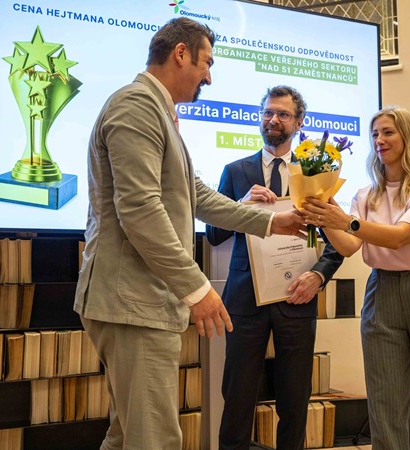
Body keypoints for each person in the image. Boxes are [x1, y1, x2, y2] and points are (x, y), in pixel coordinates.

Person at [73, 18, 305, 450]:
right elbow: (140, 210)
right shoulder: (137, 106)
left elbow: (196, 194)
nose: (209, 77)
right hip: (133, 302)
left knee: (126, 437)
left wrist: (272, 222)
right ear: (181, 54)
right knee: (154, 440)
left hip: (139, 301)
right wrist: (197, 288)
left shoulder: (157, 111)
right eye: (207, 63)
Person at [300, 105, 410, 449]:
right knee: (385, 397)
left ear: (406, 136)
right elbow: (349, 246)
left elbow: (399, 237)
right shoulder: (365, 195)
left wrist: (346, 222)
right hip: (381, 288)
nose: (379, 140)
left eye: (387, 132)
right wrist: (322, 216)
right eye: (374, 134)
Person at [206, 85, 345, 450]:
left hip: (298, 297)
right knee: (237, 395)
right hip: (245, 299)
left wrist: (318, 275)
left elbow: (337, 240)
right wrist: (240, 205)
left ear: (298, 122)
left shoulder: (316, 173)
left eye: (283, 114)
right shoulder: (235, 171)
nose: (273, 119)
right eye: (268, 112)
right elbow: (214, 235)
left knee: (295, 398)